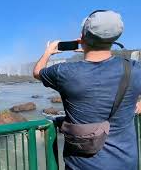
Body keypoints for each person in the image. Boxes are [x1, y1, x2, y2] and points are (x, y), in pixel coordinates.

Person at [33, 10, 140, 170]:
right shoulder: (134, 69)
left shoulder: (64, 72)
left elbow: (37, 72)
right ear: (115, 39)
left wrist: (49, 52)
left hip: (82, 165)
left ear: (82, 38)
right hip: (126, 163)